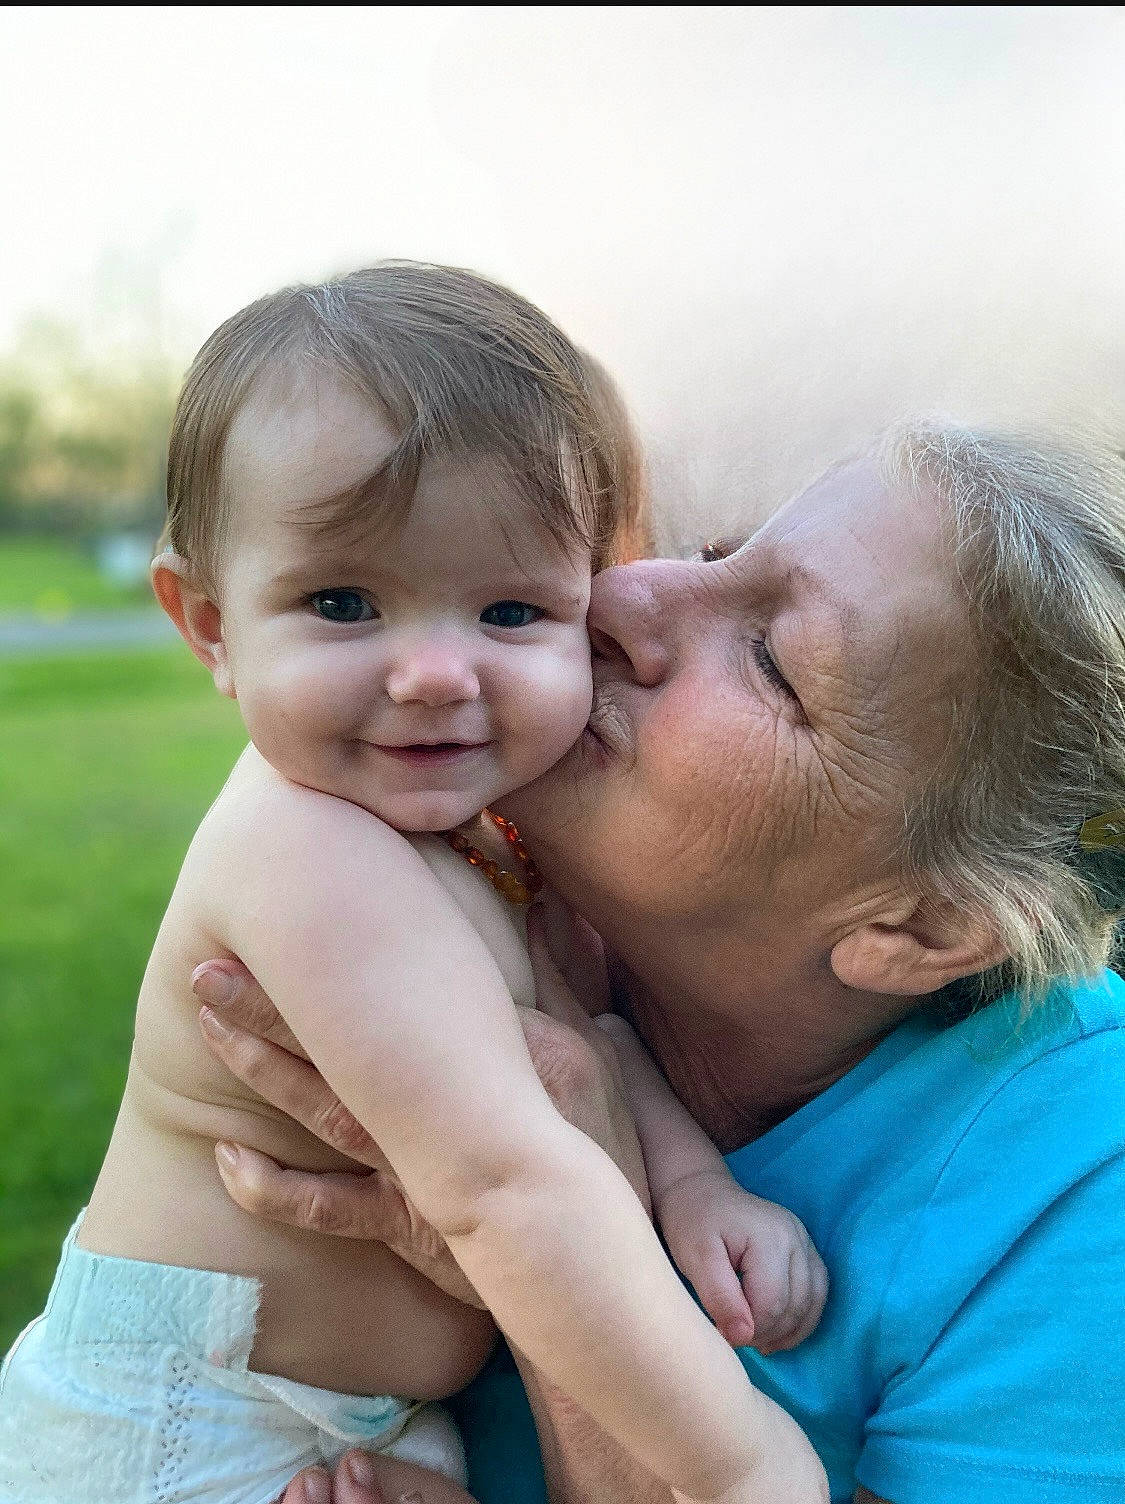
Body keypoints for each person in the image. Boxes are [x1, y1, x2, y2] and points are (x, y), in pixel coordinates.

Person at [0, 263, 829, 1504]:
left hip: (348, 1425)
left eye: (509, 609)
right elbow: (505, 1184)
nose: (438, 672)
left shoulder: (479, 837)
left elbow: (575, 1040)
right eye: (344, 603)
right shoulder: (308, 851)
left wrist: (693, 1180)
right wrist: (734, 1462)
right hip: (186, 1429)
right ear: (211, 624)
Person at [190, 421, 1125, 1504]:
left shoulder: (1079, 1196)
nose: (624, 596)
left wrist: (550, 1270)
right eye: (720, 550)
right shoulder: (451, 887)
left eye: (774, 661)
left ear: (921, 928)